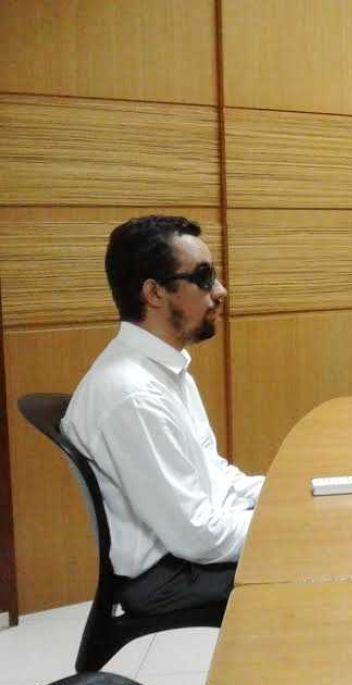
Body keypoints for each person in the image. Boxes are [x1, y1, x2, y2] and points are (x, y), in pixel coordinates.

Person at [63, 216, 262, 614]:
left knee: (326, 533)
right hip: (167, 574)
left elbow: (214, 477)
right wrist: (289, 524)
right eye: (204, 277)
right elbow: (197, 536)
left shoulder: (164, 368)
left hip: (186, 549)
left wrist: (290, 496)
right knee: (321, 557)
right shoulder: (132, 394)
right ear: (154, 293)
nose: (220, 291)